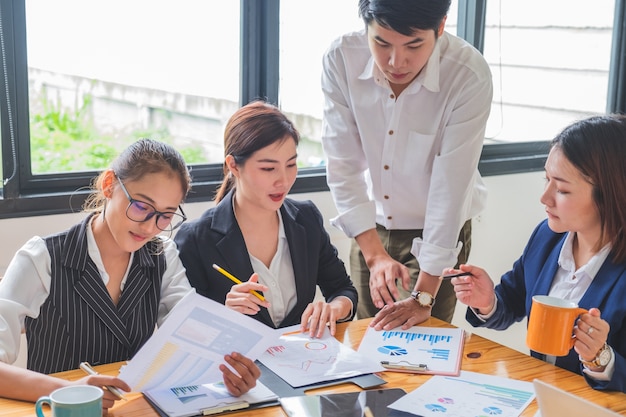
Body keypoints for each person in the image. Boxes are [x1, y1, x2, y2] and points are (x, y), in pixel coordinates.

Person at [0, 139, 259, 411]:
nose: (150, 227)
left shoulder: (162, 255)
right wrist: (69, 390)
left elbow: (190, 340)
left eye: (165, 215)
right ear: (109, 184)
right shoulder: (42, 258)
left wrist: (227, 373)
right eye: (141, 207)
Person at [321, 0, 493, 328]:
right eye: (381, 43)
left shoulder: (467, 74)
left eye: (414, 45)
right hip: (371, 226)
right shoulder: (341, 59)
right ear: (366, 26)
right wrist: (374, 255)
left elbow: (451, 188)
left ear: (440, 27)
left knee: (424, 347)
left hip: (440, 227)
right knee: (368, 340)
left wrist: (424, 296)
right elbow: (343, 164)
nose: (395, 62)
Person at [450, 114, 626, 393]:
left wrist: (601, 358)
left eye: (563, 189)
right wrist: (487, 301)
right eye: (546, 180)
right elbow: (512, 301)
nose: (544, 198)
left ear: (611, 194)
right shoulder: (547, 236)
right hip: (540, 397)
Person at [175, 101, 358, 338]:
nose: (283, 180)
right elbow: (182, 330)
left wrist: (333, 309)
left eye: (291, 164)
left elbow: (343, 289)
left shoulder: (306, 219)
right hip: (233, 368)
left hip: (301, 363)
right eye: (268, 169)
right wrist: (224, 313)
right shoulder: (196, 238)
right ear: (234, 166)